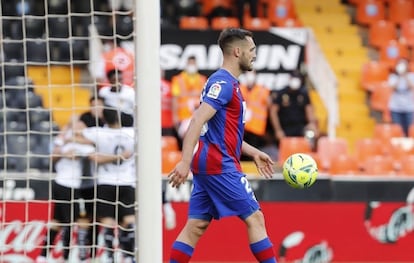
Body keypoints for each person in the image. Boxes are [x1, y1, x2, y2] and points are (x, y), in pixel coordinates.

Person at [168, 28, 277, 263]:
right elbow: (197, 119)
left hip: (211, 161)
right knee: (255, 218)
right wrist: (184, 162)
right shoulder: (224, 83)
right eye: (252, 50)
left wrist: (253, 151)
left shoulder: (224, 82)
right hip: (219, 164)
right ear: (237, 52)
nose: (254, 55)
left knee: (196, 225)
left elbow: (223, 133)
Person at [81, 105, 136, 263]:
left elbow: (76, 135)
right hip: (127, 182)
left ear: (104, 119)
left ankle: (110, 257)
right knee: (129, 219)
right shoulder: (131, 133)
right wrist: (122, 156)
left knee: (107, 221)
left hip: (105, 182)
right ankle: (130, 256)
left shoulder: (100, 133)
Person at [36, 116, 95, 263]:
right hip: (64, 184)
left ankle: (45, 255)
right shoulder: (62, 142)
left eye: (81, 124)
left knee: (64, 220)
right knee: (67, 221)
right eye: (75, 124)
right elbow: (53, 156)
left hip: (82, 186)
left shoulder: (87, 144)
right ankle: (65, 256)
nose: (79, 127)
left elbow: (90, 152)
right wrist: (64, 149)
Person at [269, 71, 318, 147]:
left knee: (311, 133)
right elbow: (273, 112)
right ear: (289, 79)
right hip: (285, 128)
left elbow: (309, 111)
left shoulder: (303, 94)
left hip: (300, 128)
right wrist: (278, 130)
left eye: (298, 79)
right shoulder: (281, 93)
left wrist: (312, 124)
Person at [171, 56, 207, 141]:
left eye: (193, 63)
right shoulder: (178, 79)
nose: (192, 66)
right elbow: (175, 99)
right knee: (188, 139)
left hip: (199, 116)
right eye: (190, 63)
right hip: (184, 117)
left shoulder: (202, 79)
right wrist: (175, 117)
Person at [240, 70, 271, 159]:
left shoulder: (262, 90)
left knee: (253, 154)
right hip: (242, 127)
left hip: (256, 128)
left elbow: (270, 105)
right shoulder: (240, 88)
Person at [387, 58, 414, 136]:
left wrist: (405, 76)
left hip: (409, 107)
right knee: (397, 130)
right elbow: (392, 88)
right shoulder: (392, 76)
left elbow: (412, 86)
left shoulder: (411, 76)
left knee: (409, 130)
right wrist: (399, 76)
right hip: (395, 108)